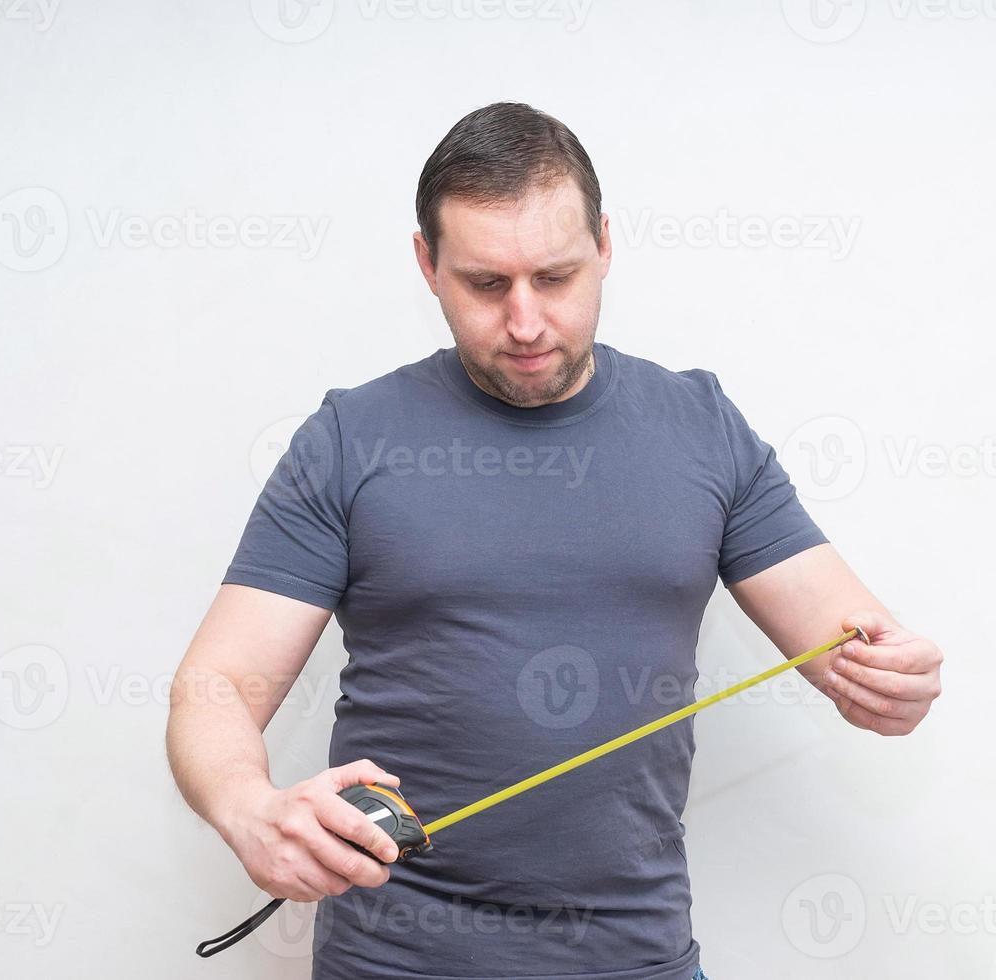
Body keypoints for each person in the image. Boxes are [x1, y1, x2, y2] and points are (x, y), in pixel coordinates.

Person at [166, 101, 943, 980]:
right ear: (427, 265)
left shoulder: (701, 427)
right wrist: (245, 806)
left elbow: (851, 639)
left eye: (557, 277)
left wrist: (893, 679)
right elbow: (215, 683)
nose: (527, 322)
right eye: (487, 284)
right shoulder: (352, 439)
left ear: (605, 245)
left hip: (634, 958)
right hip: (396, 962)